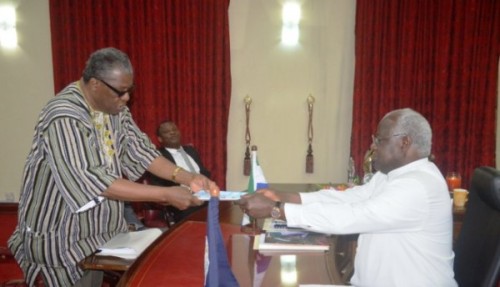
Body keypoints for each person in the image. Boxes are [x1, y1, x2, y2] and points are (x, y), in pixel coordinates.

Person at [8, 47, 218, 287]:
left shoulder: (115, 110)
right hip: (61, 237)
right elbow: (96, 181)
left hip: (99, 233)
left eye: (130, 90)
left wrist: (188, 177)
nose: (126, 98)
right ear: (95, 84)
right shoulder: (64, 115)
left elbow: (143, 152)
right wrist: (166, 194)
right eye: (121, 91)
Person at [237, 108, 457, 286]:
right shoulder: (392, 176)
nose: (373, 146)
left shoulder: (418, 186)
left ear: (405, 142)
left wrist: (276, 209)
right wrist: (286, 196)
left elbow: (351, 216)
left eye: (379, 140)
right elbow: (350, 199)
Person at [147, 120, 211, 223]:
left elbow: (203, 172)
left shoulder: (191, 150)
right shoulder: (158, 157)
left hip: (206, 198)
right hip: (183, 204)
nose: (172, 132)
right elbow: (159, 185)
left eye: (174, 129)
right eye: (167, 132)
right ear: (160, 139)